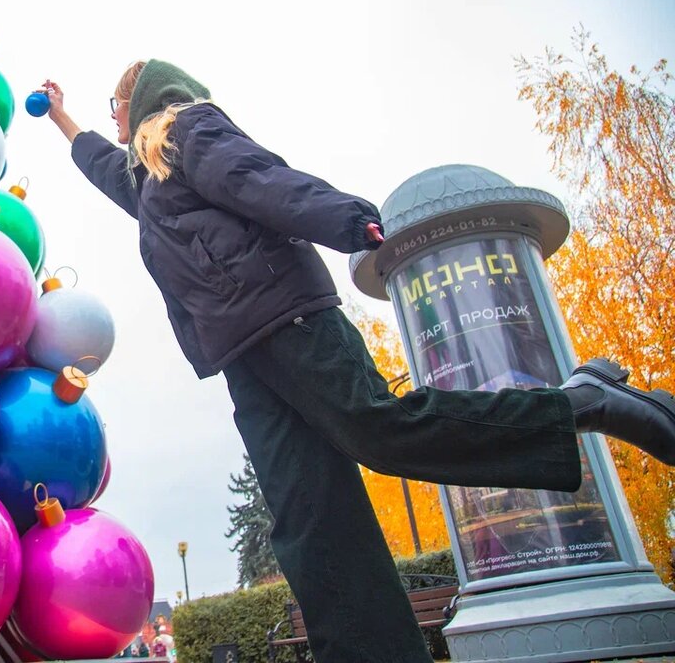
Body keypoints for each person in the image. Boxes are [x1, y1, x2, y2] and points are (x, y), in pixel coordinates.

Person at [39, 61, 675, 663]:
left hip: (286, 316)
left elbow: (258, 179)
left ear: (141, 97)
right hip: (241, 355)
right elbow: (102, 164)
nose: (113, 119)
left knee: (380, 427)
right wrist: (64, 118)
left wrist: (349, 219)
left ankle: (583, 403)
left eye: (115, 105)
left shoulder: (185, 131)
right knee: (310, 518)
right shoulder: (146, 181)